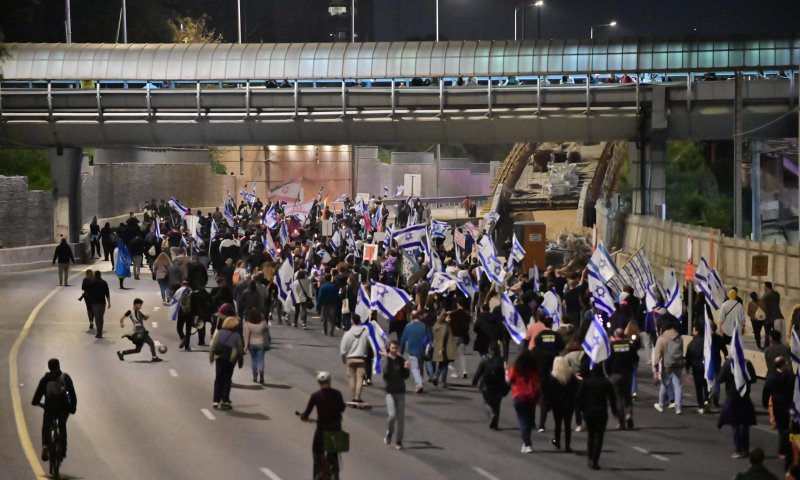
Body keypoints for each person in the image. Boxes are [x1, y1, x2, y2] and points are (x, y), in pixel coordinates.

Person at [299, 371, 346, 480]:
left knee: (316, 450)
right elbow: (342, 408)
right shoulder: (337, 393)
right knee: (334, 452)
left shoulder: (315, 396)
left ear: (319, 382)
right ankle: (335, 471)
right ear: (329, 381)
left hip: (322, 428)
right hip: (336, 427)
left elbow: (307, 413)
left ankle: (319, 470)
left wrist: (304, 417)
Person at [31, 358, 77, 462]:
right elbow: (72, 394)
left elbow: (38, 394)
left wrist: (36, 402)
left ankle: (45, 446)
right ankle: (63, 450)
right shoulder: (65, 377)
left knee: (46, 427)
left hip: (49, 409)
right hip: (63, 409)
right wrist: (72, 408)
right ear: (59, 366)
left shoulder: (45, 379)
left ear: (49, 367)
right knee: (62, 427)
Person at [577, 365, 617, 470]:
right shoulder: (606, 383)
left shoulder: (586, 382)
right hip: (601, 412)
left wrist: (582, 410)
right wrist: (614, 412)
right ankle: (595, 460)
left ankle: (589, 457)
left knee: (590, 435)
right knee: (599, 437)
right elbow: (612, 398)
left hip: (589, 412)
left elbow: (579, 397)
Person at [718, 354, 757, 458]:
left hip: (732, 397)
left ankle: (739, 449)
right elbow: (753, 379)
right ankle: (745, 449)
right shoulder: (747, 363)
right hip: (744, 396)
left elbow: (720, 379)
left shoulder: (727, 364)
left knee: (735, 424)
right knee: (744, 424)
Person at [507, 349, 541, 454]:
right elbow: (538, 382)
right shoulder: (534, 370)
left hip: (518, 396)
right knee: (529, 420)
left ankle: (527, 443)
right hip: (531, 397)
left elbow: (510, 379)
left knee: (522, 420)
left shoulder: (517, 368)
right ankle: (527, 441)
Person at [762, 356, 793, 470]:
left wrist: (765, 403)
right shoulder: (790, 377)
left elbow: (766, 392)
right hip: (789, 405)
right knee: (790, 429)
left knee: (781, 429)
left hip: (777, 406)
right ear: (783, 365)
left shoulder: (771, 378)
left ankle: (783, 451)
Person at [209, 316, 244, 410]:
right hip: (230, 360)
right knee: (227, 379)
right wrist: (240, 361)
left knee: (218, 378)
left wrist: (211, 357)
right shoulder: (237, 335)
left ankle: (216, 400)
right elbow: (240, 350)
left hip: (219, 358)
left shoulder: (220, 333)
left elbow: (213, 346)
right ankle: (225, 400)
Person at [605, 328, 638, 427]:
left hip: (615, 374)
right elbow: (636, 358)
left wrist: (608, 373)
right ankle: (629, 414)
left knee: (618, 398)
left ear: (615, 336)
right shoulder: (629, 346)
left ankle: (621, 421)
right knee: (627, 396)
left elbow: (607, 362)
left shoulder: (611, 347)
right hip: (627, 374)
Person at [472, 342, 508, 430]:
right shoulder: (502, 360)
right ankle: (495, 423)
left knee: (486, 403)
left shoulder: (485, 359)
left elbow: (479, 371)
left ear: (490, 350)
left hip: (487, 385)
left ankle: (492, 415)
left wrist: (474, 381)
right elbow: (507, 373)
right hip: (499, 385)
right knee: (497, 404)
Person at [652, 316, 684, 415]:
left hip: (667, 365)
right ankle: (678, 408)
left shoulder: (662, 339)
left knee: (664, 384)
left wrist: (655, 370)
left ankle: (661, 404)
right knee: (678, 385)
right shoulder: (679, 337)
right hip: (678, 363)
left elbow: (657, 356)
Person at [116, 298, 162, 362]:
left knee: (137, 350)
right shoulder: (130, 311)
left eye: (141, 305)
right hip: (139, 332)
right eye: (140, 305)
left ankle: (121, 353)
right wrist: (121, 323)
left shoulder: (139, 312)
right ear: (135, 304)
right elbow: (122, 318)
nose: (141, 306)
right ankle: (154, 357)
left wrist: (147, 317)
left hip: (141, 331)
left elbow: (144, 318)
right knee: (151, 343)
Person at [383, 340, 409, 450]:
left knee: (401, 419)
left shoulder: (401, 360)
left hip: (400, 391)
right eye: (392, 348)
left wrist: (407, 368)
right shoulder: (387, 360)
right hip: (390, 392)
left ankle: (399, 441)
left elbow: (405, 376)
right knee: (392, 415)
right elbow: (385, 374)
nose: (394, 350)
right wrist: (388, 359)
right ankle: (389, 432)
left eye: (396, 348)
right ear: (389, 348)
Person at [339, 315, 371, 404]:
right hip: (361, 357)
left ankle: (353, 397)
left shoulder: (347, 334)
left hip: (350, 358)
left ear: (352, 321)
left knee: (352, 378)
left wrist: (343, 359)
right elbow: (369, 344)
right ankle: (358, 396)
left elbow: (343, 349)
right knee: (360, 378)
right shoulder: (365, 333)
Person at [399, 311, 428, 394]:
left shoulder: (408, 327)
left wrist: (400, 352)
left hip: (412, 350)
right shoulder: (423, 326)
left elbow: (403, 340)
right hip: (422, 350)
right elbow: (428, 337)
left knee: (415, 368)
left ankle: (419, 384)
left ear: (411, 316)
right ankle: (420, 381)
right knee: (421, 367)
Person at [685, 323, 710, 413]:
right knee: (706, 383)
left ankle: (701, 406)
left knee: (698, 387)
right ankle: (707, 398)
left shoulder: (692, 343)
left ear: (696, 330)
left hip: (696, 367)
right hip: (706, 366)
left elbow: (688, 357)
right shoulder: (706, 342)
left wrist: (687, 369)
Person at [432, 312, 457, 388]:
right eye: (448, 318)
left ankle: (436, 377)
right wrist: (442, 347)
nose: (450, 319)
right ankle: (443, 381)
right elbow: (443, 337)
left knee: (441, 364)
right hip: (445, 348)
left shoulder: (436, 325)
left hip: (437, 346)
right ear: (444, 318)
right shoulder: (445, 326)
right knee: (445, 365)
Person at [243, 309, 268, 384]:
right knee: (261, 360)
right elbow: (266, 333)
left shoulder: (248, 324)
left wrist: (245, 346)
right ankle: (261, 374)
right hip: (261, 343)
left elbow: (246, 336)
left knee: (254, 360)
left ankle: (254, 375)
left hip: (252, 344)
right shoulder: (263, 323)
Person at [86, 270, 111, 339]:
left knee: (97, 318)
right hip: (102, 303)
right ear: (100, 275)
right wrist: (109, 303)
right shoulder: (104, 282)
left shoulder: (92, 283)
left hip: (94, 303)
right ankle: (100, 332)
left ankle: (99, 332)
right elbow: (107, 293)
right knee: (101, 317)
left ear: (95, 275)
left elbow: (88, 292)